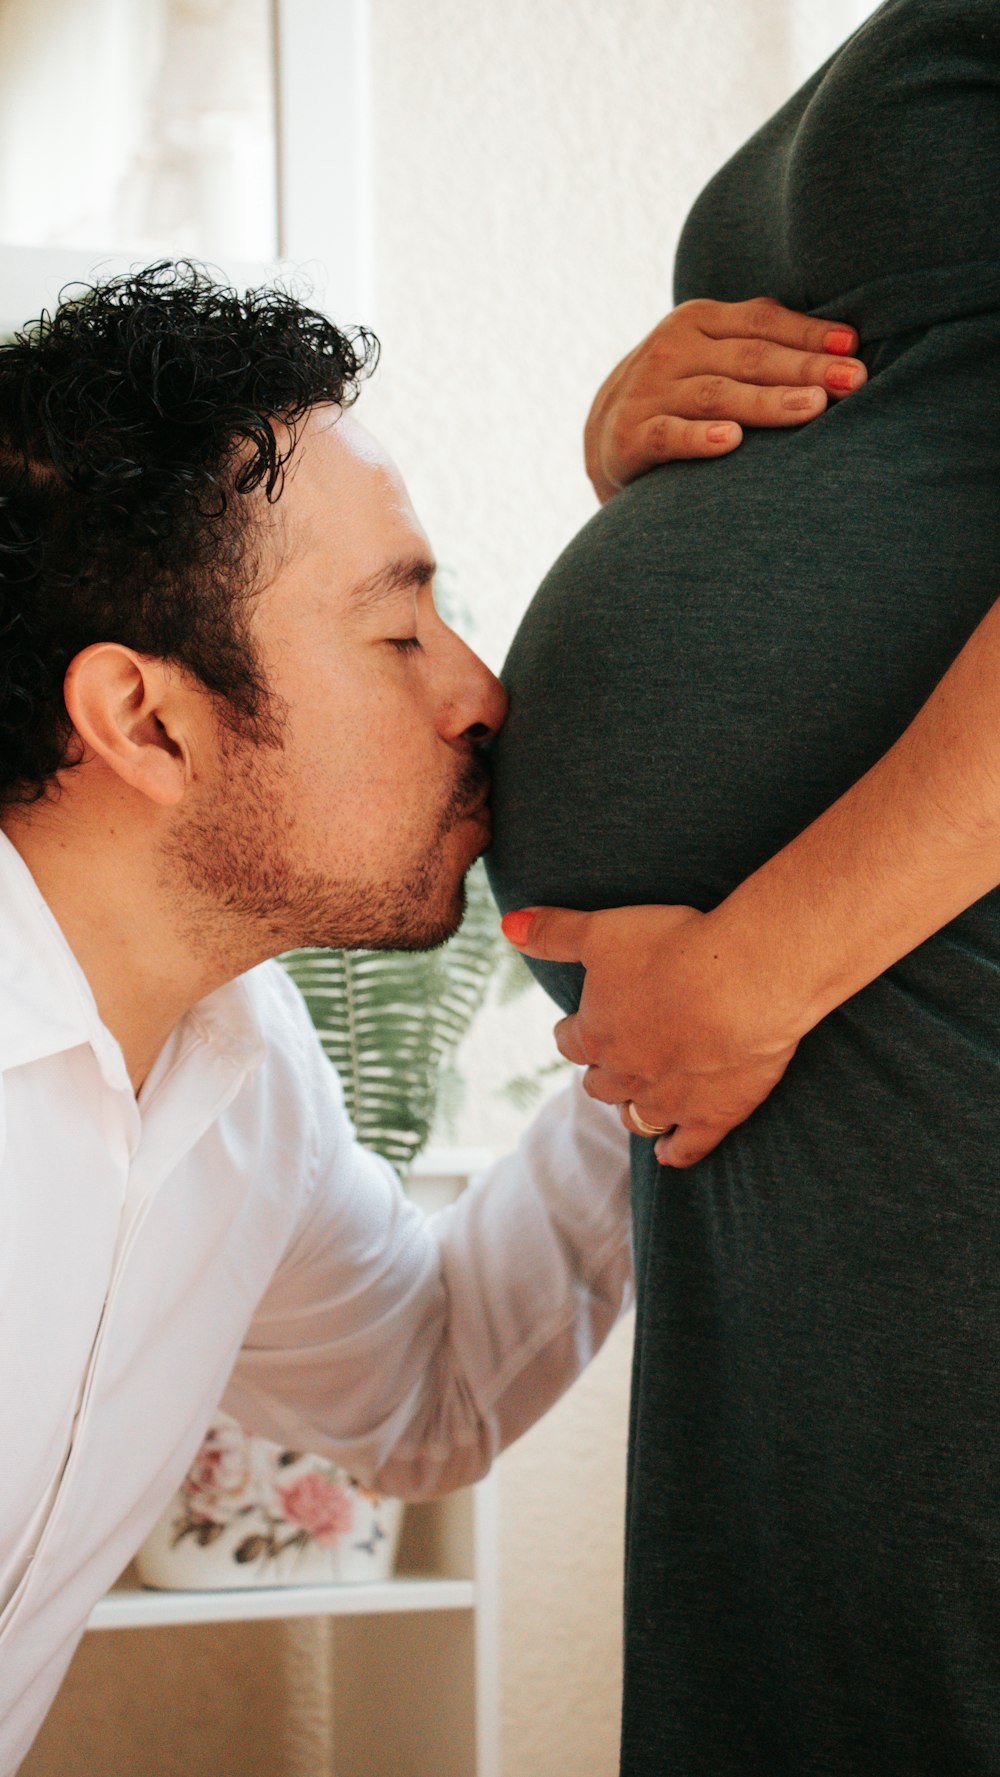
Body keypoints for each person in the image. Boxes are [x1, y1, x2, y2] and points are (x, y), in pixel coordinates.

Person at [0, 263, 855, 1771]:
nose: (479, 692)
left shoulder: (241, 1067)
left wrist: (666, 1030)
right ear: (145, 720)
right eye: (400, 633)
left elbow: (427, 1391)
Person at [487, 1, 1000, 1771]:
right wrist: (633, 430)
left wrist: (766, 961)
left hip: (893, 959)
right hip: (827, 1008)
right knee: (798, 1655)